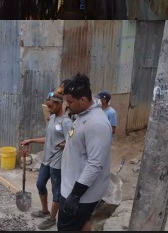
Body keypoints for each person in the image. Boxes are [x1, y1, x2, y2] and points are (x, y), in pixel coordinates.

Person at [59, 74, 112, 232]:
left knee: (66, 228)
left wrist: (75, 195)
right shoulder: (83, 115)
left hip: (80, 195)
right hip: (71, 187)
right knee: (82, 226)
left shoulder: (97, 123)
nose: (67, 106)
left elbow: (95, 164)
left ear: (82, 100)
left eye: (69, 102)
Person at [19, 83, 72, 230]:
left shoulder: (66, 122)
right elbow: (48, 138)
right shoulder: (53, 118)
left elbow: (72, 141)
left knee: (57, 192)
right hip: (47, 159)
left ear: (59, 104)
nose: (49, 109)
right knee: (40, 184)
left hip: (58, 162)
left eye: (51, 107)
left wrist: (63, 145)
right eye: (48, 106)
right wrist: (31, 140)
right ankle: (44, 210)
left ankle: (52, 218)